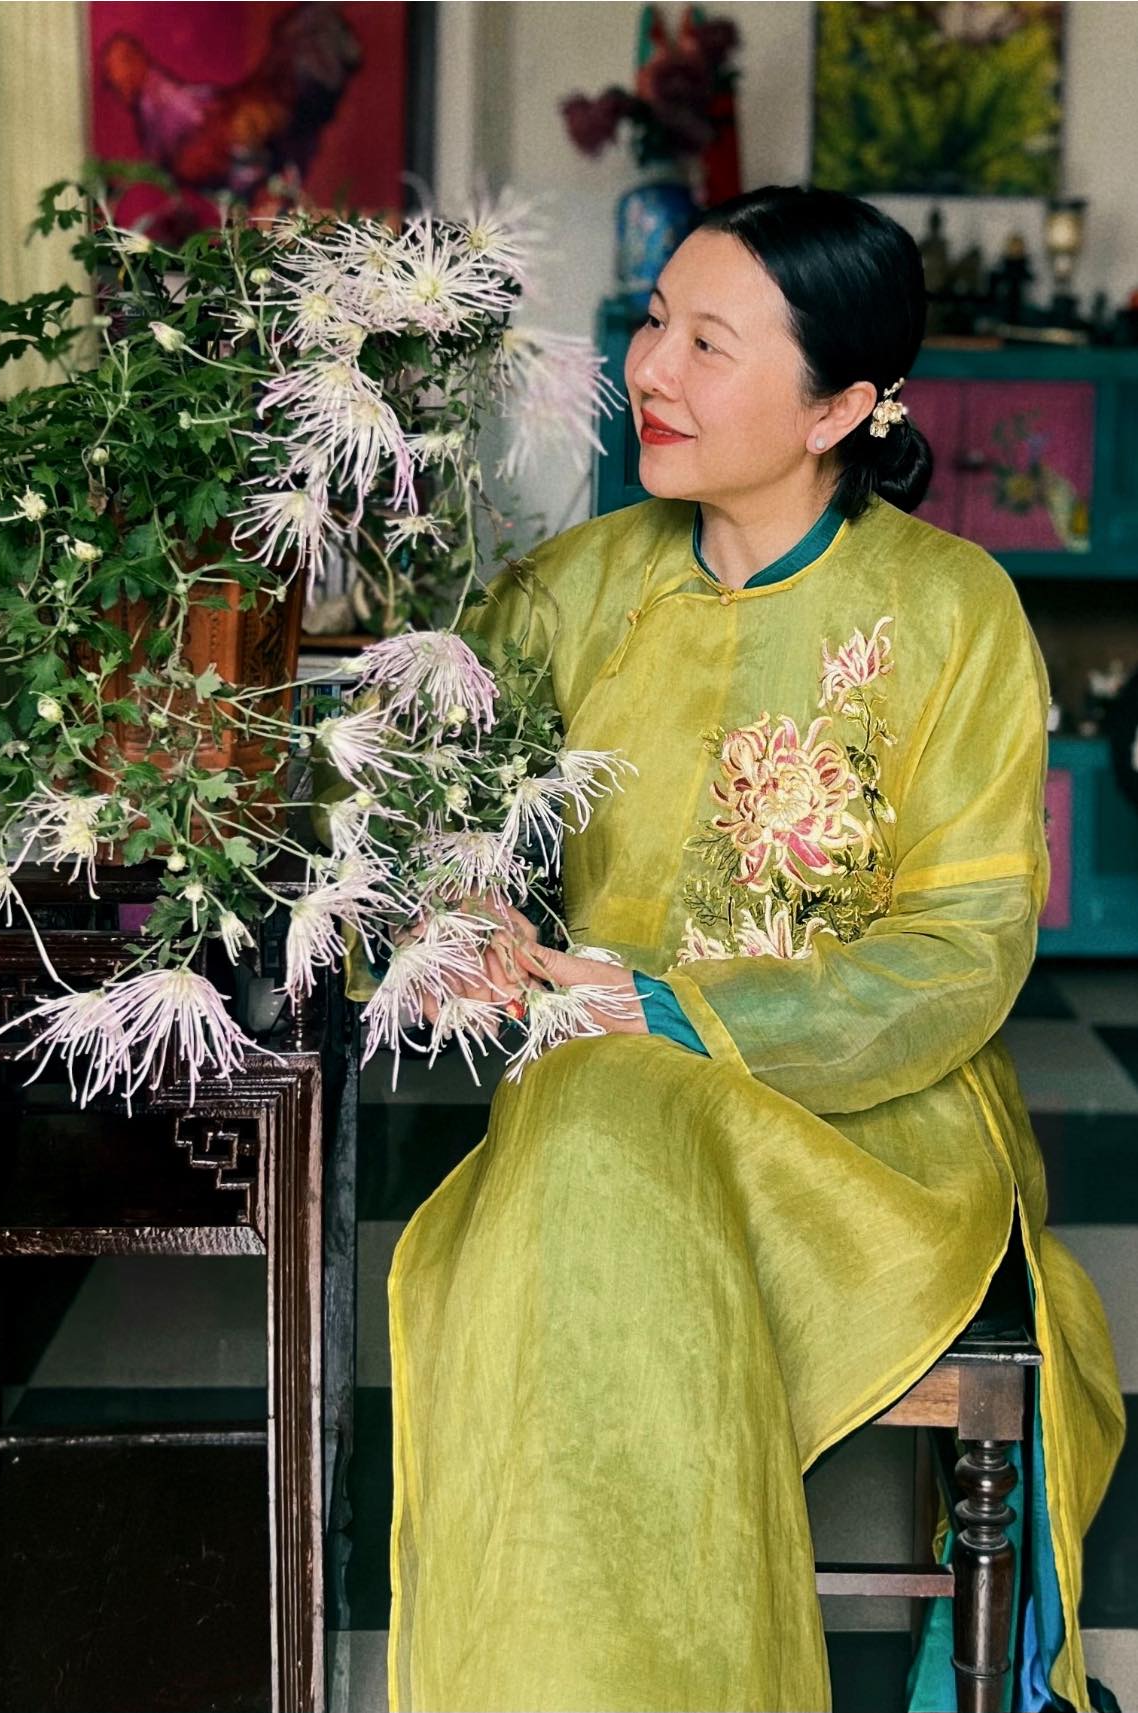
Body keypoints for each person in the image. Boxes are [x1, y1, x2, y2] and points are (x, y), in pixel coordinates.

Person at [371, 185, 1125, 1713]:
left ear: (839, 406)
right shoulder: (570, 591)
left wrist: (671, 1007)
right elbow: (426, 809)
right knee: (589, 1125)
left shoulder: (952, 610)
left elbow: (962, 950)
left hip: (864, 1137)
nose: (650, 369)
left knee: (582, 1140)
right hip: (600, 1091)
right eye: (655, 322)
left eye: (708, 343)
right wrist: (459, 916)